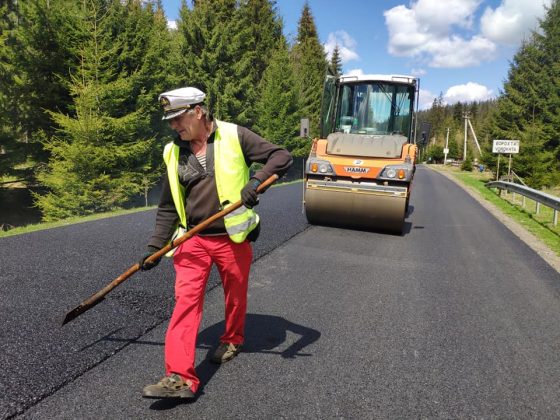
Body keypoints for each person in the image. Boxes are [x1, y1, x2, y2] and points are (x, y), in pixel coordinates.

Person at [140, 87, 292, 400]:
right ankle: (180, 376)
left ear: (197, 111)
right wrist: (156, 246)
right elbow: (169, 206)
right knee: (185, 303)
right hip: (192, 240)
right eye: (169, 120)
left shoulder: (234, 135)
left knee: (234, 296)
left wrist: (255, 182)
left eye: (178, 118)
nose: (174, 126)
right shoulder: (173, 152)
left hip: (231, 239)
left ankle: (233, 337)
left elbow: (281, 156)